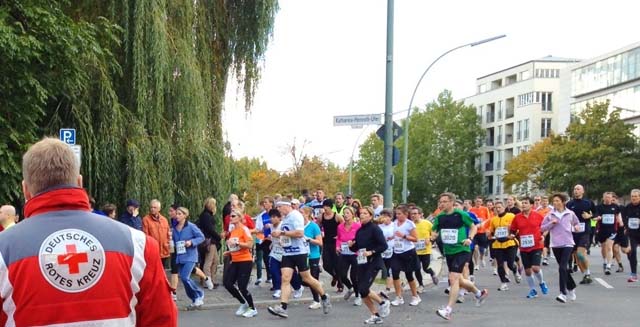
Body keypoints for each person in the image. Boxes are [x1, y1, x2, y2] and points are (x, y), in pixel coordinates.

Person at [0, 138, 175, 326]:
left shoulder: (3, 249)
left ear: (25, 190)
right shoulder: (138, 245)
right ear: (79, 181)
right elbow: (161, 319)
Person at [268, 201, 332, 318]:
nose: (278, 209)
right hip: (287, 252)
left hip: (300, 252)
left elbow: (299, 233)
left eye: (279, 207)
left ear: (286, 206)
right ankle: (283, 307)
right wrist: (280, 239)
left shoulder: (295, 215)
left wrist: (282, 232)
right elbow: (286, 235)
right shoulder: (285, 219)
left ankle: (324, 296)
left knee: (306, 278)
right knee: (285, 279)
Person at [431, 193, 488, 320]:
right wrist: (432, 237)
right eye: (441, 202)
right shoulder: (440, 217)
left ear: (452, 202)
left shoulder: (461, 214)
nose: (442, 204)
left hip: (462, 249)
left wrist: (469, 238)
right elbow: (435, 231)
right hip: (449, 251)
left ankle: (448, 310)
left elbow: (473, 227)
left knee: (453, 278)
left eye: (445, 201)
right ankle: (479, 293)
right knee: (460, 279)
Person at [350, 206, 391, 324]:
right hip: (362, 262)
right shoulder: (359, 230)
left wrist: (371, 252)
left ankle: (383, 302)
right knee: (361, 291)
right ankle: (375, 315)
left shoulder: (375, 229)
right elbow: (356, 248)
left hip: (374, 262)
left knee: (364, 288)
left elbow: (384, 246)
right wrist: (351, 245)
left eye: (365, 213)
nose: (362, 215)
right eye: (360, 213)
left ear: (370, 216)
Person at [541, 193, 581, 303]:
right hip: (555, 244)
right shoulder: (550, 214)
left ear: (563, 202)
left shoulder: (570, 213)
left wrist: (577, 227)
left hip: (568, 243)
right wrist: (551, 224)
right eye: (554, 201)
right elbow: (542, 227)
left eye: (557, 201)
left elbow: (577, 223)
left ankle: (563, 293)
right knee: (564, 269)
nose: (555, 203)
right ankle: (571, 287)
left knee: (562, 267)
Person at [510, 197, 549, 299]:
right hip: (524, 247)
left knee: (535, 268)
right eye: (522, 203)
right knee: (527, 271)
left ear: (531, 205)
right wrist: (512, 235)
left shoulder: (538, 216)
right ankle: (533, 290)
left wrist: (543, 235)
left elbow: (545, 227)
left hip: (536, 245)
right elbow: (513, 230)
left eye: (526, 203)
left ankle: (541, 282)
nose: (523, 205)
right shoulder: (517, 217)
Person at [223, 209, 258, 318]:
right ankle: (243, 303)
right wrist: (229, 252)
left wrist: (238, 242)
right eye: (230, 216)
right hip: (235, 260)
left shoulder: (244, 229)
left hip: (245, 261)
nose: (231, 218)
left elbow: (249, 244)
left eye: (233, 216)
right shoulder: (233, 231)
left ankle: (252, 308)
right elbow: (236, 247)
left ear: (239, 217)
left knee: (242, 287)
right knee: (228, 283)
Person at [172, 207, 206, 310]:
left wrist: (191, 242)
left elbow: (201, 237)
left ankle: (199, 294)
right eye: (176, 214)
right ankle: (195, 299)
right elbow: (173, 241)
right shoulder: (174, 228)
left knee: (185, 277)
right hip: (180, 256)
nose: (177, 216)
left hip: (190, 256)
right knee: (183, 278)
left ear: (185, 215)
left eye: (179, 214)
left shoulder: (191, 226)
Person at [389, 205, 421, 307]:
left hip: (408, 252)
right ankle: (399, 297)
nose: (397, 216)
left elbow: (416, 239)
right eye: (396, 214)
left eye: (399, 214)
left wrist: (404, 236)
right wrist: (391, 237)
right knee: (395, 273)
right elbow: (395, 234)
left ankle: (415, 296)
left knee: (409, 275)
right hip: (397, 251)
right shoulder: (394, 223)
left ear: (406, 214)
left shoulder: (409, 224)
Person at [566, 184, 596, 285]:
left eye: (578, 189)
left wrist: (590, 216)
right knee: (577, 259)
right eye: (574, 189)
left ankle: (587, 273)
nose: (576, 191)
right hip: (573, 233)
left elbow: (596, 215)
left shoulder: (588, 203)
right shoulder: (569, 204)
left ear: (582, 191)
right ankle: (585, 275)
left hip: (584, 232)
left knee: (580, 254)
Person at [491, 201, 520, 291]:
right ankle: (503, 283)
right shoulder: (494, 219)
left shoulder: (511, 216)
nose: (498, 209)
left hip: (510, 243)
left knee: (510, 264)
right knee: (500, 265)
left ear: (504, 207)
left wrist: (513, 234)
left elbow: (517, 228)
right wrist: (490, 235)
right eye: (496, 208)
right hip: (498, 244)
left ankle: (515, 271)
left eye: (499, 207)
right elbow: (492, 231)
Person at [336, 206, 362, 305]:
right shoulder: (340, 226)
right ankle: (351, 288)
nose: (345, 215)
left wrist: (354, 243)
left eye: (348, 213)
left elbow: (361, 238)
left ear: (352, 215)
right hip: (344, 253)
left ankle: (357, 295)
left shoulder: (358, 226)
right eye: (344, 213)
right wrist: (337, 247)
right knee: (342, 275)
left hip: (355, 253)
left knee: (354, 276)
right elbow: (338, 238)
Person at [593, 192, 624, 275]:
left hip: (612, 230)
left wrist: (620, 221)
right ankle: (605, 261)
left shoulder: (615, 207)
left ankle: (609, 266)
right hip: (601, 230)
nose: (608, 199)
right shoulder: (599, 207)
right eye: (606, 197)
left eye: (609, 197)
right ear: (603, 198)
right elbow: (594, 217)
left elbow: (618, 215)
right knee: (603, 248)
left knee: (609, 247)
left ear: (611, 198)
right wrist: (597, 218)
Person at [410, 206, 439, 292]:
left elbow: (435, 233)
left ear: (420, 215)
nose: (413, 215)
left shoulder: (427, 223)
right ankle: (421, 285)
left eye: (415, 214)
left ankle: (432, 273)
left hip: (426, 250)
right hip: (414, 251)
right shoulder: (410, 224)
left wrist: (430, 238)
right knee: (416, 268)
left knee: (426, 268)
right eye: (411, 214)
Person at [318, 198, 344, 292]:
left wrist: (339, 236)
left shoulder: (337, 216)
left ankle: (340, 284)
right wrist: (319, 234)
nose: (325, 210)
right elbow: (318, 226)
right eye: (324, 208)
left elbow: (344, 227)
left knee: (337, 264)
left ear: (331, 207)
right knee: (326, 265)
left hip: (335, 242)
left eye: (327, 208)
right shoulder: (321, 216)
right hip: (326, 242)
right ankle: (335, 276)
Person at [197, 197, 222, 290]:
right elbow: (210, 229)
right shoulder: (206, 216)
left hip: (211, 241)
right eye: (214, 204)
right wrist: (218, 236)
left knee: (215, 261)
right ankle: (206, 280)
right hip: (209, 241)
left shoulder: (206, 215)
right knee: (209, 261)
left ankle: (212, 279)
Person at [302, 206, 324, 309]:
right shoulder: (298, 226)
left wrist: (309, 239)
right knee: (304, 279)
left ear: (307, 214)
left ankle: (317, 300)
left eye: (301, 212)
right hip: (302, 255)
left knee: (312, 278)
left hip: (313, 255)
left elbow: (320, 242)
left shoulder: (314, 226)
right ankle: (320, 290)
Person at [142, 199, 171, 272]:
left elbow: (168, 233)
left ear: (159, 209)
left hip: (164, 250)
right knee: (152, 271)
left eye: (154, 207)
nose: (152, 209)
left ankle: (161, 283)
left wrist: (168, 244)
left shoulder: (164, 220)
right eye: (151, 207)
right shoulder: (146, 219)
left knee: (162, 271)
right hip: (153, 250)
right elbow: (145, 235)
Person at [254, 196, 274, 285]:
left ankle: (274, 277)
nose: (264, 204)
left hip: (275, 239)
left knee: (274, 258)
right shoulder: (261, 216)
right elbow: (258, 228)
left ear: (271, 204)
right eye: (264, 203)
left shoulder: (275, 213)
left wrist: (271, 226)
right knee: (266, 258)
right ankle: (269, 276)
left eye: (266, 202)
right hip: (266, 239)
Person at [623, 189, 640, 282]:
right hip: (633, 234)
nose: (634, 198)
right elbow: (624, 217)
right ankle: (633, 274)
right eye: (632, 196)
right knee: (632, 252)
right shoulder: (628, 207)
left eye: (636, 196)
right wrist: (626, 227)